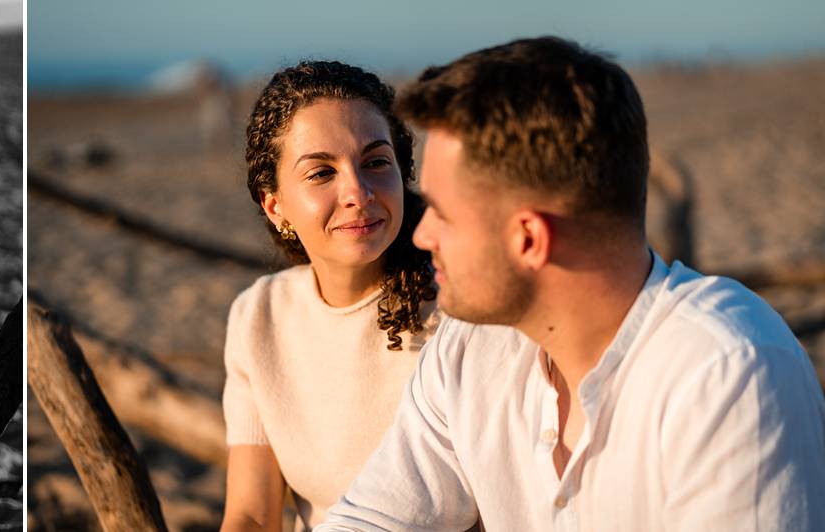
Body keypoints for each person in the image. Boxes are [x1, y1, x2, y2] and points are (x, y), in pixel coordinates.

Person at [318, 36, 825, 530]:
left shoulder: (727, 374)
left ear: (529, 239)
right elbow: (369, 520)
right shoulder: (468, 347)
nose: (422, 234)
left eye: (443, 214)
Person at [220, 61, 439, 531]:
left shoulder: (456, 310)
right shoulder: (258, 317)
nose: (358, 192)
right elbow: (252, 515)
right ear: (274, 204)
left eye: (376, 163)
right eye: (321, 173)